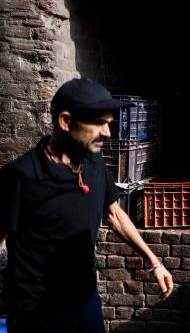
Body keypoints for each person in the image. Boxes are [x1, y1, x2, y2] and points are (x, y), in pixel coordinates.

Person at [0, 78, 174, 333]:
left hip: (85, 304)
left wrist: (154, 262)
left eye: (109, 123)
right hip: (36, 314)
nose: (107, 132)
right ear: (66, 121)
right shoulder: (21, 176)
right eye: (98, 123)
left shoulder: (94, 163)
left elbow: (114, 214)